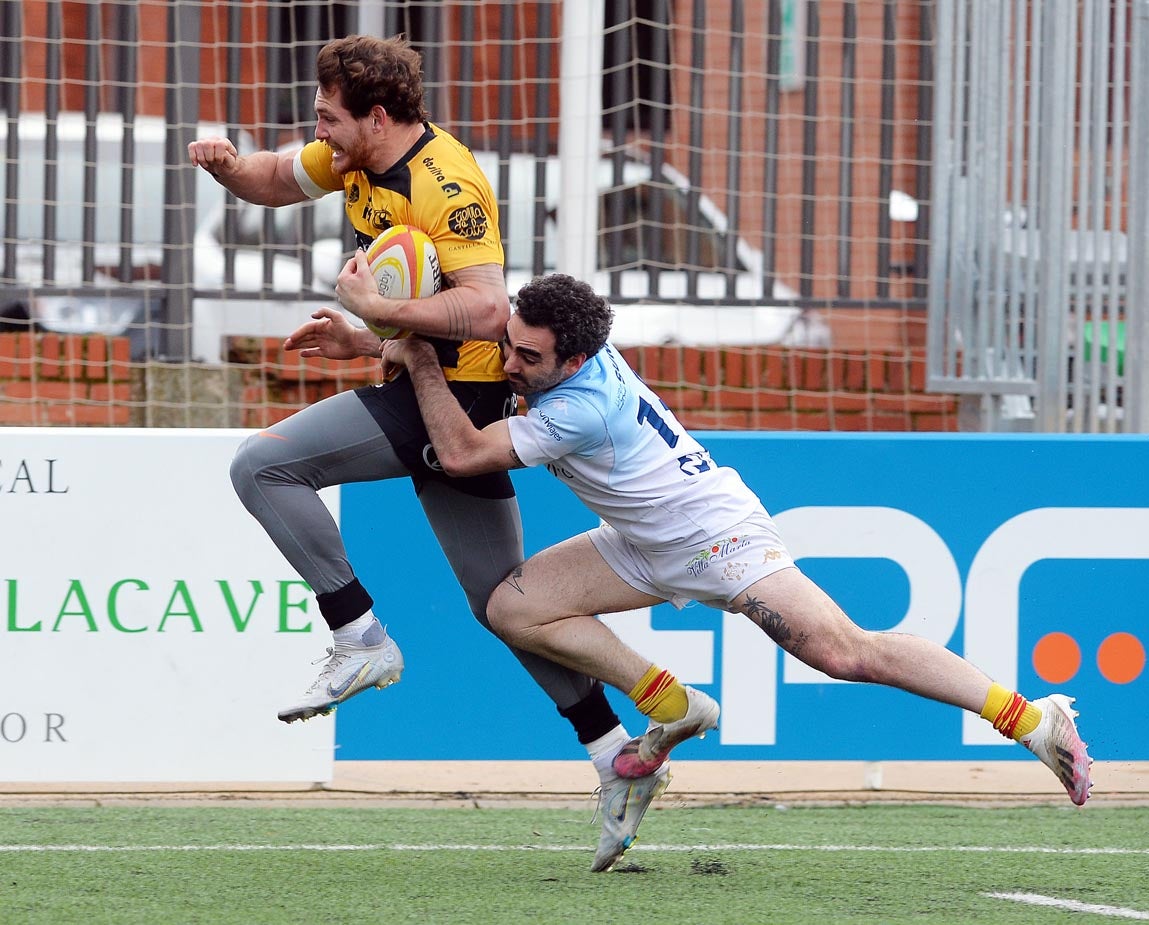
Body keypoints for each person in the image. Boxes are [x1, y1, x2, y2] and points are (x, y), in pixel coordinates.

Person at [382, 272, 1096, 850]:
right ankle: (673, 705)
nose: (509, 363)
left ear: (573, 360)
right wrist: (369, 334)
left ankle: (1032, 719)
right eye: (510, 346)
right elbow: (479, 351)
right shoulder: (558, 352)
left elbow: (463, 453)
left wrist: (414, 357)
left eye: (527, 357)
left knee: (845, 652)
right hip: (640, 539)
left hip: (716, 537)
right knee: (513, 607)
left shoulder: (579, 405)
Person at [189, 35, 663, 872]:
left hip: (457, 394)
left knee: (261, 465)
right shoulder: (355, 157)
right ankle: (612, 754)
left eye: (329, 119)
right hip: (422, 381)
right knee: (506, 604)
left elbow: (486, 310)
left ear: (377, 116)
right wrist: (224, 163)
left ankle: (360, 634)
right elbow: (269, 180)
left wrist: (379, 309)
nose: (319, 133)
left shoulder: (449, 185)